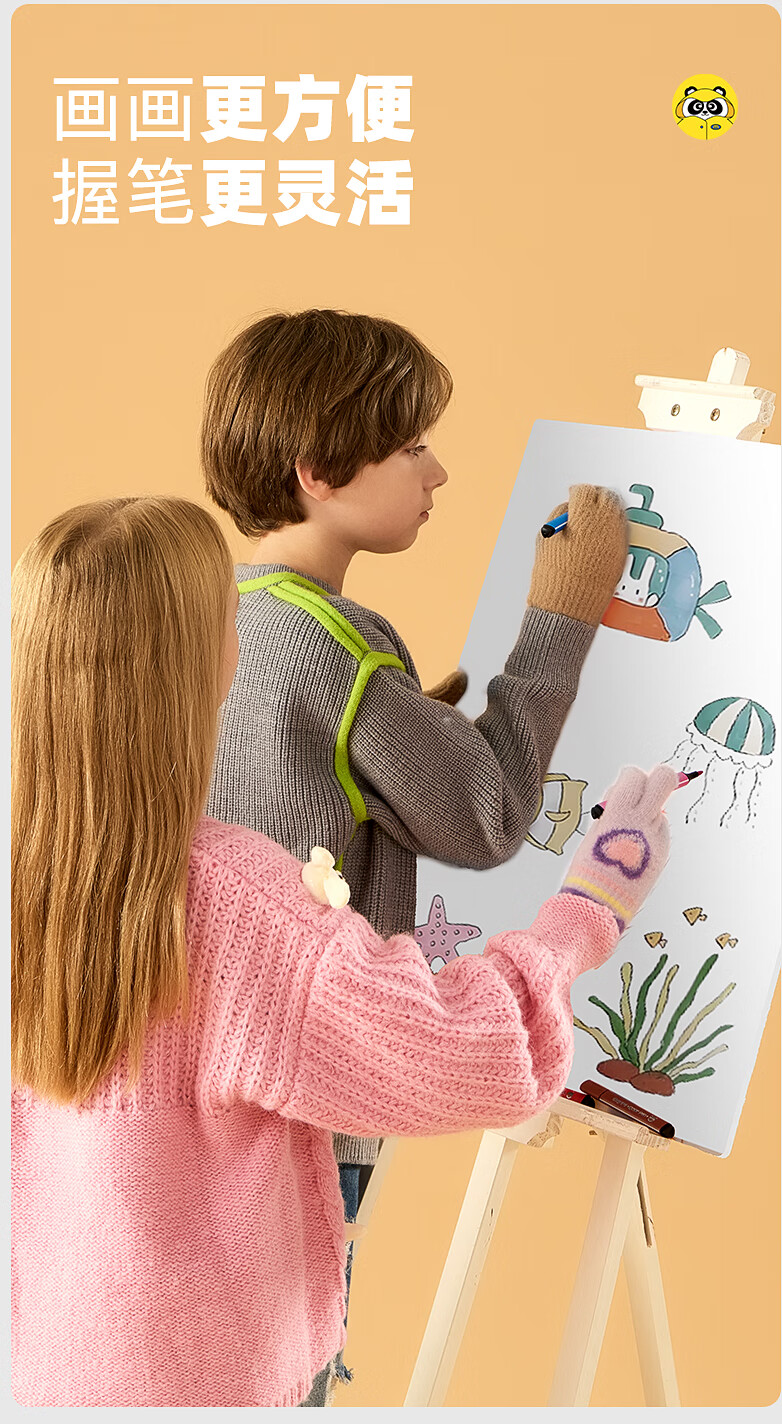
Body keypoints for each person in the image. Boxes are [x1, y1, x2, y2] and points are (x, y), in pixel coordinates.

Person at [11, 496, 673, 1409]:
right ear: (207, 663)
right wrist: (588, 908)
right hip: (208, 1384)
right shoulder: (235, 906)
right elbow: (469, 1050)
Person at [201, 308, 630, 1400]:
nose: (436, 472)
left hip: (212, 1085)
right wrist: (560, 620)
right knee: (289, 1371)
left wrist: (403, 739)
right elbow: (487, 816)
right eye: (409, 447)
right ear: (318, 472)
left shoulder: (217, 618)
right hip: (316, 1091)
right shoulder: (338, 649)